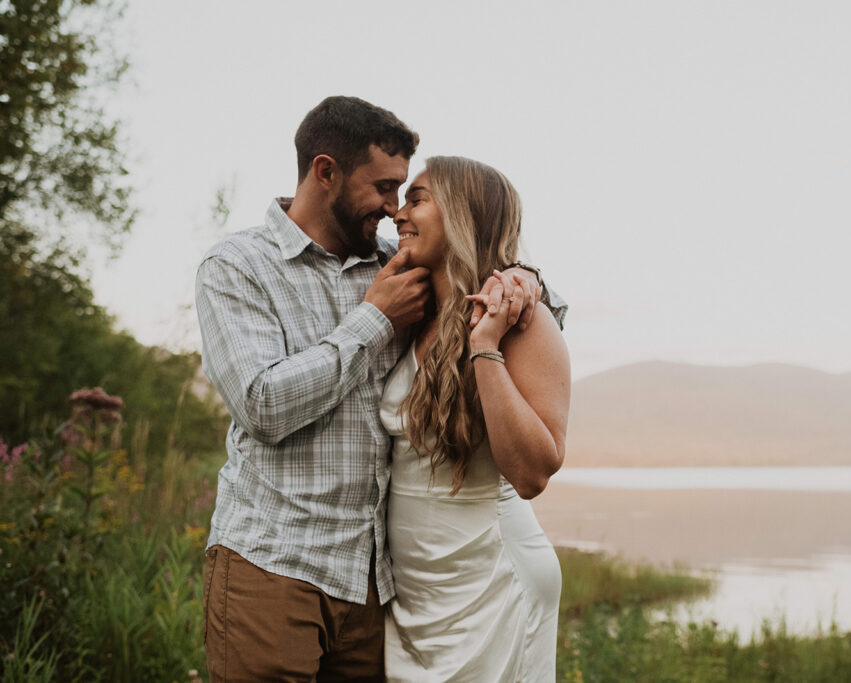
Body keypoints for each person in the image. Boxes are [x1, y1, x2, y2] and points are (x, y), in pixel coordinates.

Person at [195, 97, 562, 681]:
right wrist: (373, 320)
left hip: (371, 585)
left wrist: (525, 278)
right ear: (326, 172)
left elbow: (486, 274)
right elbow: (262, 406)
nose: (394, 210)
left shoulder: (397, 262)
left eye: (406, 193)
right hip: (274, 564)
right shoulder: (238, 266)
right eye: (386, 188)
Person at [381, 156, 570, 681]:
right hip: (420, 596)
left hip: (491, 579)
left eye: (417, 199)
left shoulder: (521, 325)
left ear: (463, 214)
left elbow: (533, 473)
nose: (398, 212)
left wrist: (484, 347)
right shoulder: (410, 310)